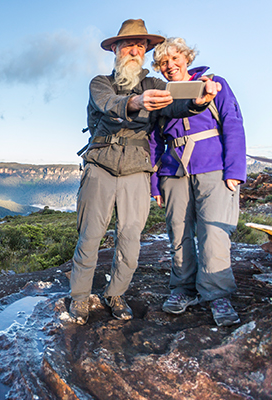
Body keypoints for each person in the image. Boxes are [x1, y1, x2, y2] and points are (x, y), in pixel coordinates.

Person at [69, 19, 221, 325]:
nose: (135, 50)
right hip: (100, 166)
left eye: (141, 46)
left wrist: (197, 102)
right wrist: (136, 102)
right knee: (90, 236)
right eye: (128, 45)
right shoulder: (100, 83)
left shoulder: (154, 85)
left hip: (138, 169)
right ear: (115, 49)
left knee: (130, 239)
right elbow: (108, 104)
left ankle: (116, 294)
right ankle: (80, 298)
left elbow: (174, 106)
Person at [150, 37, 246, 326]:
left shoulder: (214, 84)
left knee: (214, 233)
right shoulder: (159, 94)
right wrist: (155, 184)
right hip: (173, 172)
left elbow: (232, 123)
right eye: (163, 62)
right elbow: (154, 141)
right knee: (178, 233)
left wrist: (234, 171)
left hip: (213, 166)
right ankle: (183, 290)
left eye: (175, 59)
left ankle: (217, 295)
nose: (170, 66)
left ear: (187, 59)